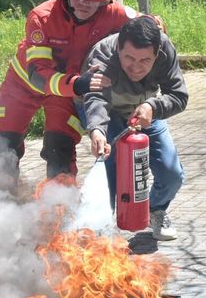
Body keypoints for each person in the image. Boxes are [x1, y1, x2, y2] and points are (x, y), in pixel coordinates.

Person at [0, 0, 134, 181]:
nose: (85, 4)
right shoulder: (41, 18)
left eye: (93, 0)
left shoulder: (112, 13)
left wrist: (156, 26)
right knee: (2, 146)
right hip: (24, 87)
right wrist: (77, 85)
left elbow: (148, 26)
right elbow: (38, 75)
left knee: (60, 151)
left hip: (65, 92)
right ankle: (1, 208)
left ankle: (59, 211)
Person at [80, 17, 188, 241]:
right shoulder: (102, 55)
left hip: (145, 111)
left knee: (172, 173)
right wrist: (97, 131)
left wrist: (153, 106)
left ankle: (155, 210)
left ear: (157, 54)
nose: (136, 67)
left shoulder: (165, 49)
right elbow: (95, 98)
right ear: (119, 48)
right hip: (106, 114)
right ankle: (99, 230)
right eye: (129, 58)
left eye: (144, 60)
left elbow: (179, 96)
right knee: (110, 167)